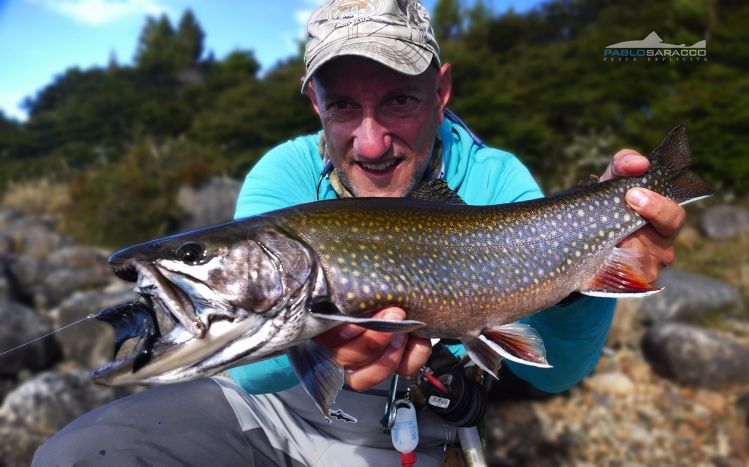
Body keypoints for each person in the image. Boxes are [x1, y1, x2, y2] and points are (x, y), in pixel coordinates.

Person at [33, 1, 686, 466]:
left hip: (407, 434)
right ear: (313, 99)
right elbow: (256, 376)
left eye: (399, 99)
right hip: (271, 409)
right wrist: (322, 346)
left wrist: (601, 243)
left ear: (442, 90)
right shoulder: (283, 175)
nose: (370, 143)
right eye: (343, 104)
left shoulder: (497, 179)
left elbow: (555, 374)